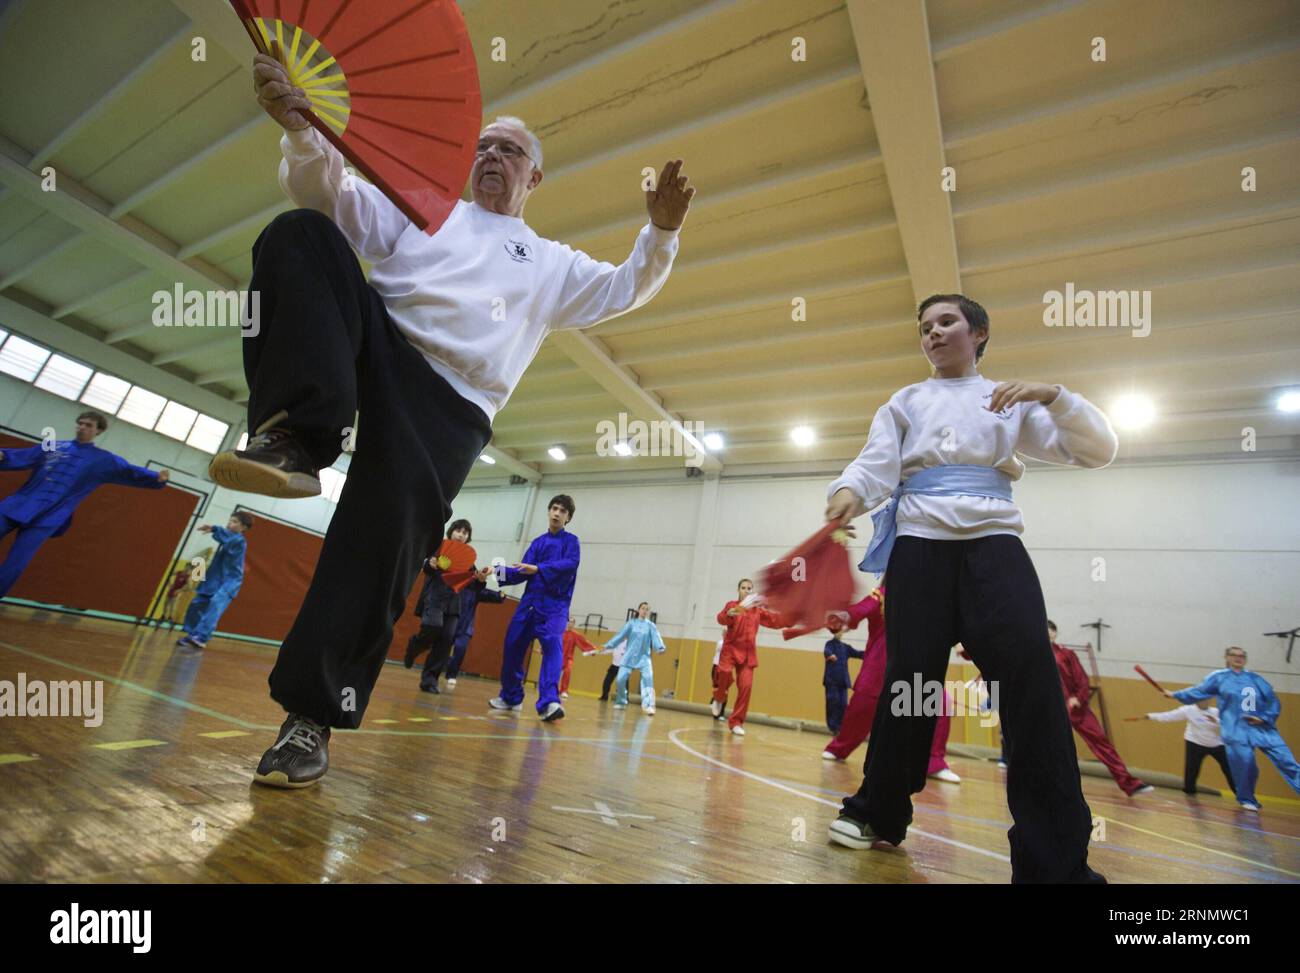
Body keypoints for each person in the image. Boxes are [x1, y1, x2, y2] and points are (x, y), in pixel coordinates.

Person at [216, 48, 692, 787]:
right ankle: (296, 436)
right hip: (379, 338)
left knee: (376, 551)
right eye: (483, 147)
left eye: (509, 150)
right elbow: (330, 196)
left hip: (449, 404)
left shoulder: (551, 261)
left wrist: (659, 235)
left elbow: (627, 286)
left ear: (534, 178)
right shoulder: (422, 207)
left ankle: (309, 720)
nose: (491, 156)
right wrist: (301, 133)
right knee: (298, 235)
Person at [822, 293, 1117, 883]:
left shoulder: (1008, 398)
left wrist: (1054, 396)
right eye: (925, 326)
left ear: (978, 332)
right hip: (919, 553)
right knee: (910, 686)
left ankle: (1054, 859)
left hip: (995, 553)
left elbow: (1097, 450)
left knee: (1031, 693)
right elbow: (873, 466)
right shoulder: (905, 401)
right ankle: (878, 812)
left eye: (947, 322)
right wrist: (846, 495)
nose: (933, 333)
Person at [0, 412, 169, 597]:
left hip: (48, 518)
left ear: (99, 431)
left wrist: (156, 478)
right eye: (80, 423)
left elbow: (129, 471)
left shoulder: (104, 461)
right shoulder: (53, 447)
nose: (82, 427)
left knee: (16, 563)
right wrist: (3, 455)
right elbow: (21, 456)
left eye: (88, 425)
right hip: (15, 507)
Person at [820, 582, 961, 783]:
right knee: (861, 710)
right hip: (879, 667)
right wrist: (843, 617)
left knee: (940, 706)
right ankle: (839, 748)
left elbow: (945, 626)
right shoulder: (881, 595)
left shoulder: (930, 597)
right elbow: (860, 610)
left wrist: (960, 642)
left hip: (916, 666)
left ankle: (933, 762)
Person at [1168, 647, 1300, 810]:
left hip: (1262, 728)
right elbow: (1199, 691)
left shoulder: (1256, 679)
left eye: (1241, 656)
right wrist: (1176, 694)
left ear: (1245, 659)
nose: (1238, 658)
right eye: (1234, 655)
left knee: (1287, 761)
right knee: (1246, 765)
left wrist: (1264, 718)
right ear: (1227, 658)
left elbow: (1273, 701)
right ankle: (1247, 799)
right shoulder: (1219, 678)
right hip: (1235, 730)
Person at [490, 497, 580, 721]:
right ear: (549, 511)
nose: (557, 513)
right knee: (512, 644)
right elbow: (521, 571)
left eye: (562, 511)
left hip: (555, 606)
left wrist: (539, 568)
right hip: (529, 603)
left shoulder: (572, 542)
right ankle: (511, 697)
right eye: (554, 509)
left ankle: (549, 702)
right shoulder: (538, 543)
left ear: (568, 517)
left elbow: (570, 565)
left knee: (551, 643)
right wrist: (494, 571)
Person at [1048, 621, 1152, 796]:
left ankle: (1129, 783)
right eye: (1044, 630)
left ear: (1056, 633)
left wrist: (1078, 699)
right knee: (1049, 748)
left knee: (1101, 743)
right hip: (1052, 711)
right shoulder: (1035, 656)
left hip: (1076, 709)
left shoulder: (1067, 654)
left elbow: (1082, 680)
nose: (1048, 633)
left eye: (1051, 630)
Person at [711, 579, 783, 736]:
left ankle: (736, 722)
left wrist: (793, 617)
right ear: (738, 590)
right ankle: (719, 697)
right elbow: (721, 619)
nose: (746, 590)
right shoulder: (733, 606)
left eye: (749, 588)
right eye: (743, 588)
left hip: (748, 653)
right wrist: (727, 614)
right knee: (723, 672)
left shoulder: (757, 611)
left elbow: (775, 620)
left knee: (746, 687)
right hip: (730, 650)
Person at [178, 513, 254, 649]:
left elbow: (226, 538)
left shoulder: (240, 541)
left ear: (244, 527)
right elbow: (225, 537)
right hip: (215, 579)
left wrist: (214, 528)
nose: (230, 523)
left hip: (230, 581)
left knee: (215, 604)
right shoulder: (228, 538)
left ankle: (202, 637)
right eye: (230, 520)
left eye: (235, 522)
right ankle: (192, 634)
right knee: (197, 603)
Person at [1139, 698, 1235, 796]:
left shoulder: (1216, 712)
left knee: (1229, 768)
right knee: (1191, 771)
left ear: (1209, 700)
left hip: (1216, 744)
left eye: (1205, 699)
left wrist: (1217, 721)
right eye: (1200, 699)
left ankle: (1240, 793)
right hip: (1195, 742)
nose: (1202, 702)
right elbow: (1169, 716)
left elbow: (1229, 725)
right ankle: (1189, 793)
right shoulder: (1188, 710)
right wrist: (1151, 716)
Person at [604, 602, 667, 714]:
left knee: (648, 679)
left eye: (647, 609)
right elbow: (620, 635)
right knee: (620, 679)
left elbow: (656, 638)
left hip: (644, 658)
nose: (645, 611)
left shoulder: (651, 626)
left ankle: (648, 706)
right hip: (628, 656)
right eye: (643, 608)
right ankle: (621, 701)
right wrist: (609, 644)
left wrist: (660, 648)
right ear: (638, 610)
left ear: (648, 612)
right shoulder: (631, 624)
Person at [822, 628, 864, 734]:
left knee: (843, 704)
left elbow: (858, 653)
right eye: (836, 632)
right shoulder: (829, 644)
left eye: (840, 631)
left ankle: (841, 727)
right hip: (832, 681)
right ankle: (833, 727)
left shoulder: (845, 647)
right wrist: (830, 655)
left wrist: (871, 652)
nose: (839, 633)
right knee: (832, 703)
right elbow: (827, 651)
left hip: (842, 681)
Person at [560, 619, 599, 698]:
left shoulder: (575, 635)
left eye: (572, 622)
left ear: (574, 624)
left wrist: (593, 649)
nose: (570, 624)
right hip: (558, 656)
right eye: (568, 622)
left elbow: (584, 642)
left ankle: (564, 690)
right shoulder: (559, 632)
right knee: (554, 674)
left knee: (567, 671)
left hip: (568, 658)